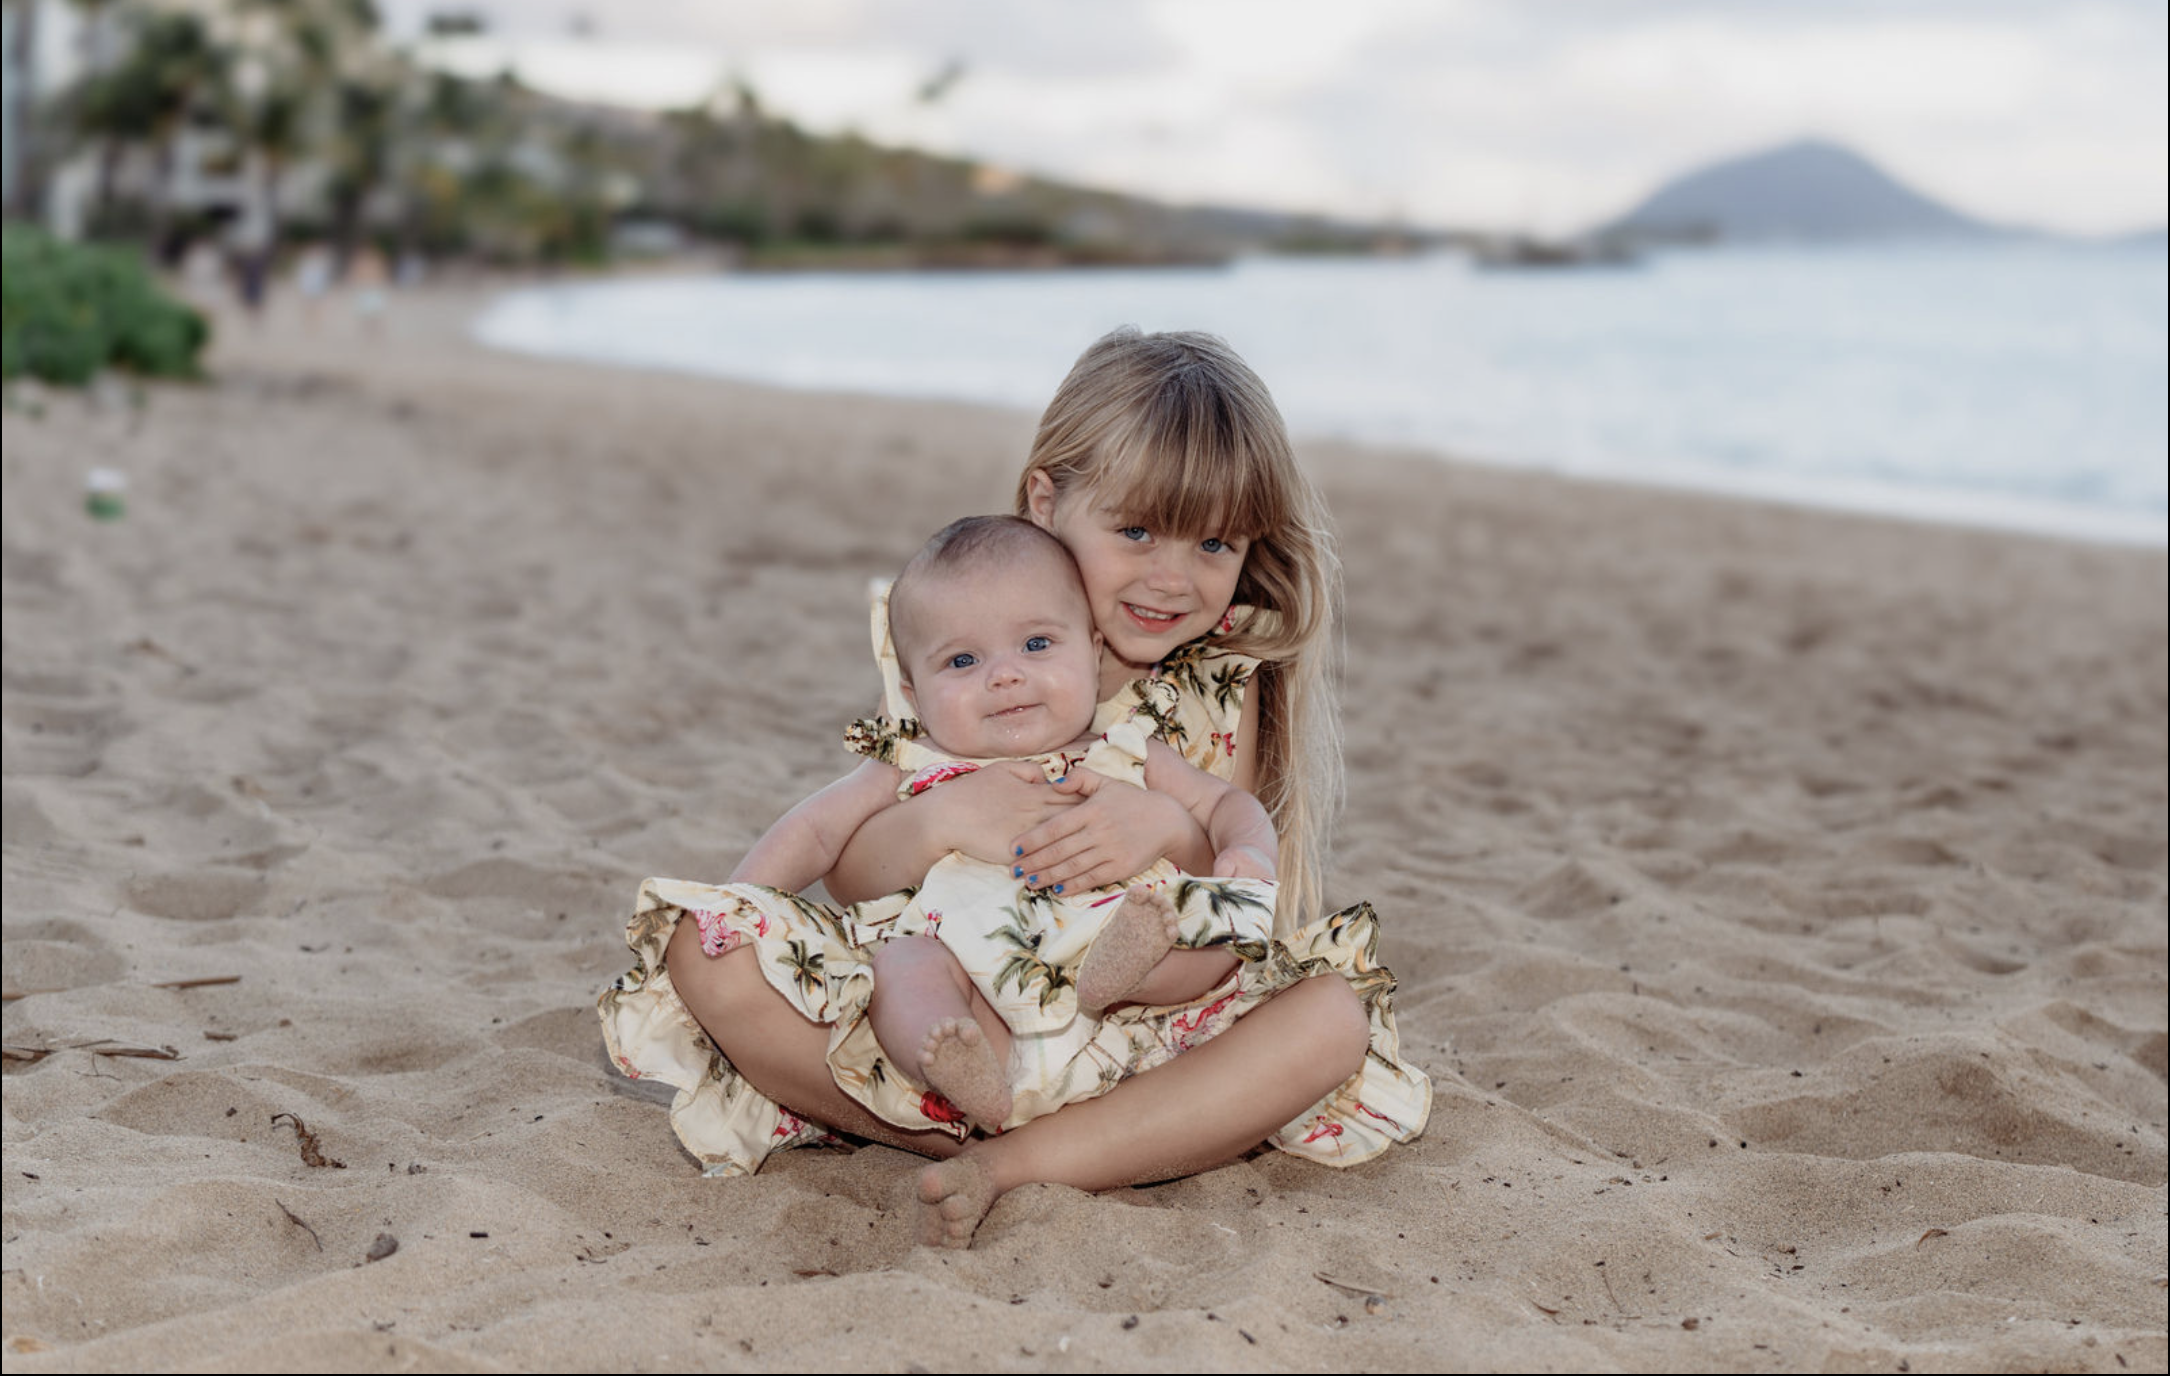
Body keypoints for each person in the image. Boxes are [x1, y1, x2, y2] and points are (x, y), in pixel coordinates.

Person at [598, 327, 1431, 1248]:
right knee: (701, 951)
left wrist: (1157, 824)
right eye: (1137, 530)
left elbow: (1225, 880)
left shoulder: (1216, 684)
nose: (1171, 576)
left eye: (1213, 543)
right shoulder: (972, 637)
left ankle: (1008, 1160)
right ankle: (994, 1122)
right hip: (955, 1013)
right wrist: (942, 820)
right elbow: (853, 873)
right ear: (1047, 497)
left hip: (1132, 1019)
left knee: (1332, 1022)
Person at [856, 515, 1281, 1131]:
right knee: (902, 968)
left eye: (1035, 646)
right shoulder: (924, 757)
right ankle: (960, 1068)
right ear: (914, 693)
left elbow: (1224, 805)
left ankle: (1116, 979)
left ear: (1092, 650)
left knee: (1216, 941)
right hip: (981, 976)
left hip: (1122, 959)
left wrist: (1249, 850)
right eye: (964, 660)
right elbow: (818, 833)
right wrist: (735, 901)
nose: (1003, 675)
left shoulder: (1124, 744)